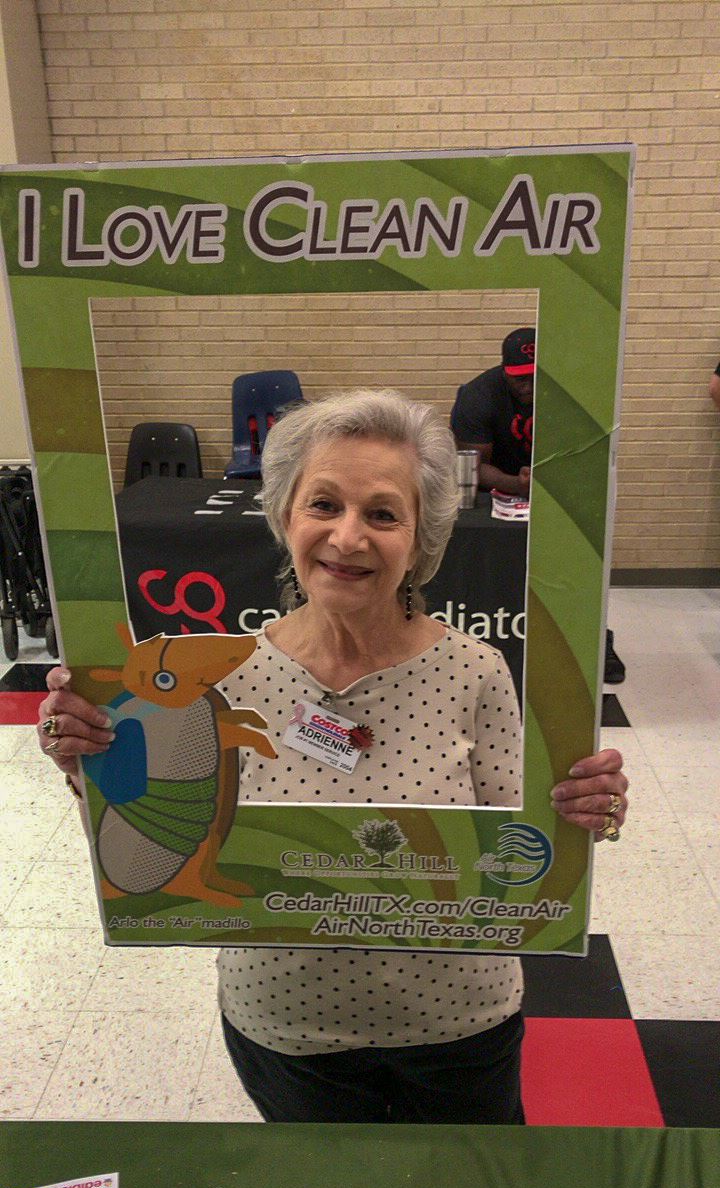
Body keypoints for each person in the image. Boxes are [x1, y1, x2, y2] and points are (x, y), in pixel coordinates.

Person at [37, 388, 628, 1124]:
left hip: (456, 1021)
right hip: (285, 1022)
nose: (347, 538)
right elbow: (162, 825)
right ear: (285, 516)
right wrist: (88, 769)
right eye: (324, 505)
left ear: (422, 537)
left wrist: (586, 816)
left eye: (382, 514)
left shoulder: (476, 672)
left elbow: (527, 848)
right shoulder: (222, 674)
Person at [450, 327, 535, 497]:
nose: (529, 387)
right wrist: (516, 485)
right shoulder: (478, 396)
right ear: (505, 372)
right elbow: (473, 465)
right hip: (493, 491)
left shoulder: (566, 393)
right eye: (520, 379)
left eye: (536, 376)